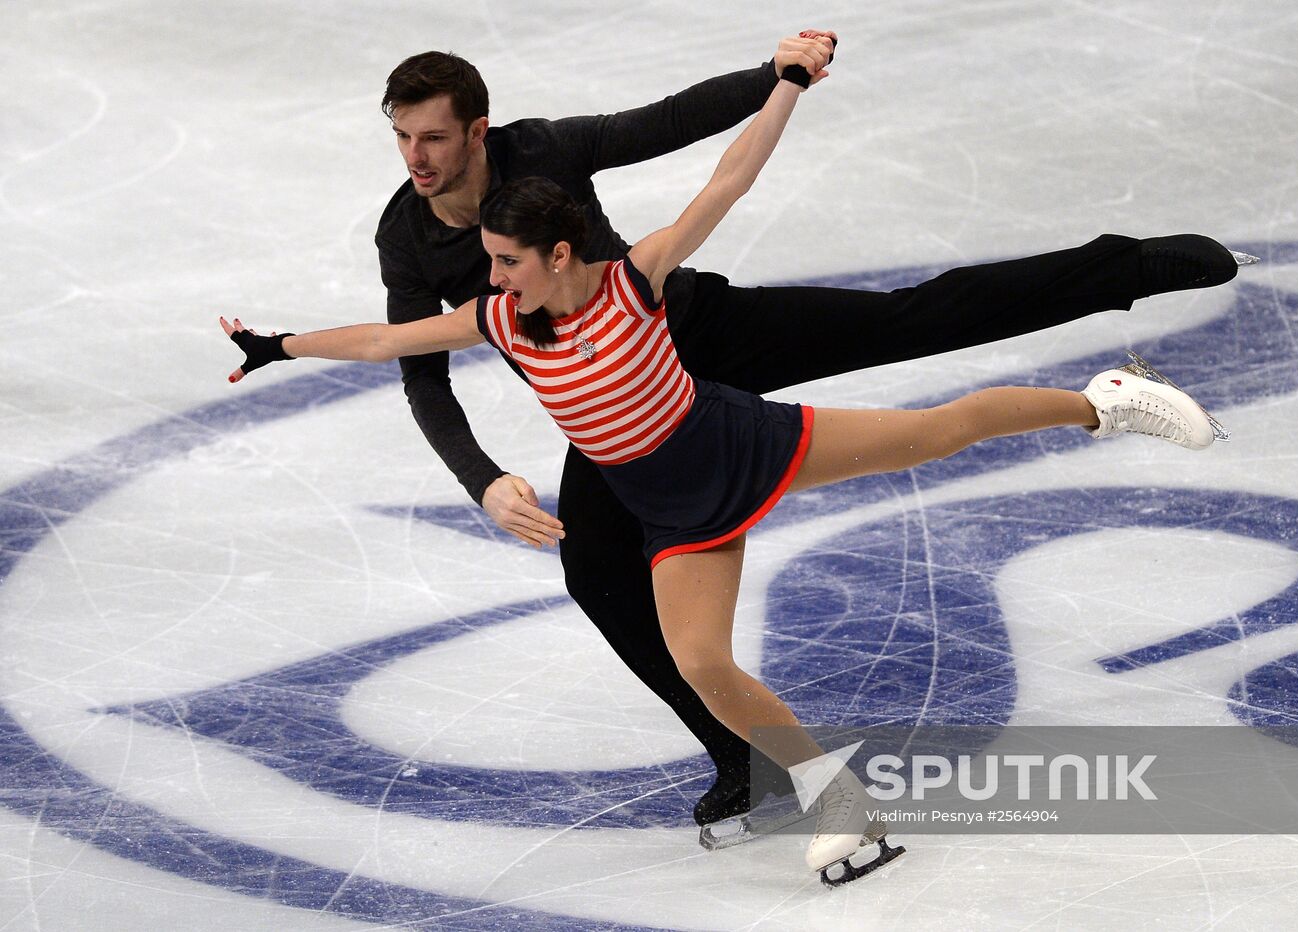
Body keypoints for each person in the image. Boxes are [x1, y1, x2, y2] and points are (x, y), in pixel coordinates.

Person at [221, 59, 1234, 883]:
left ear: (551, 242)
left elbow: (716, 169)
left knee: (936, 418)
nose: (416, 159)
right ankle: (807, 782)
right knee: (691, 648)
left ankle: (1101, 398)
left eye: (432, 136)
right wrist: (283, 344)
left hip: (729, 424)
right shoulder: (487, 305)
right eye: (401, 139)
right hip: (664, 494)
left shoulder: (623, 275)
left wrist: (781, 79)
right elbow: (393, 342)